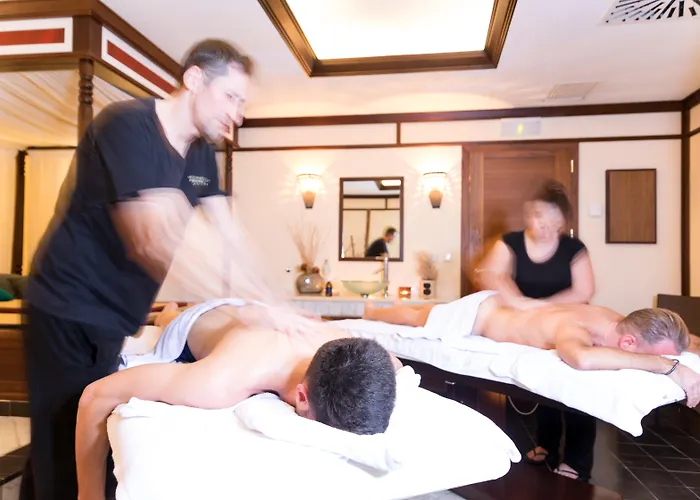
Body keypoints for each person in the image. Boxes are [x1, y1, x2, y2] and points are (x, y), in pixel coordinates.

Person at [21, 39, 258, 500]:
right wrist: (218, 305)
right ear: (194, 79)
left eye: (243, 102)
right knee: (68, 445)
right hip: (63, 309)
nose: (239, 114)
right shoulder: (126, 126)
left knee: (65, 438)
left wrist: (272, 305)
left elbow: (231, 236)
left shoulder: (200, 156)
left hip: (112, 320)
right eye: (231, 97)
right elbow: (150, 236)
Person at [75, 300, 400, 500]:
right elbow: (96, 395)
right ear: (302, 397)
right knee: (169, 318)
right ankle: (171, 311)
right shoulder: (218, 381)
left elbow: (393, 363)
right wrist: (88, 494)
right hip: (203, 317)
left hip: (260, 311)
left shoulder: (356, 350)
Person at [361, 292, 700, 406]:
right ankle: (374, 312)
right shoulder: (577, 330)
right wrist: (669, 367)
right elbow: (581, 359)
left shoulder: (619, 321)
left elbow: (689, 341)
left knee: (426, 311)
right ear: (628, 344)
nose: (666, 358)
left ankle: (388, 308)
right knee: (420, 317)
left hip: (502, 308)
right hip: (477, 315)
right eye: (658, 354)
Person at [474, 179, 598, 481]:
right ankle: (546, 445)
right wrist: (516, 301)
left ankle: (577, 461)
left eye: (554, 221)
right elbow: (488, 274)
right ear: (529, 214)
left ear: (563, 222)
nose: (545, 226)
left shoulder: (574, 248)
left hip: (566, 322)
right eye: (540, 216)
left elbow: (584, 290)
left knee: (577, 383)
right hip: (529, 328)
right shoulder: (511, 242)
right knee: (543, 382)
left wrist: (539, 306)